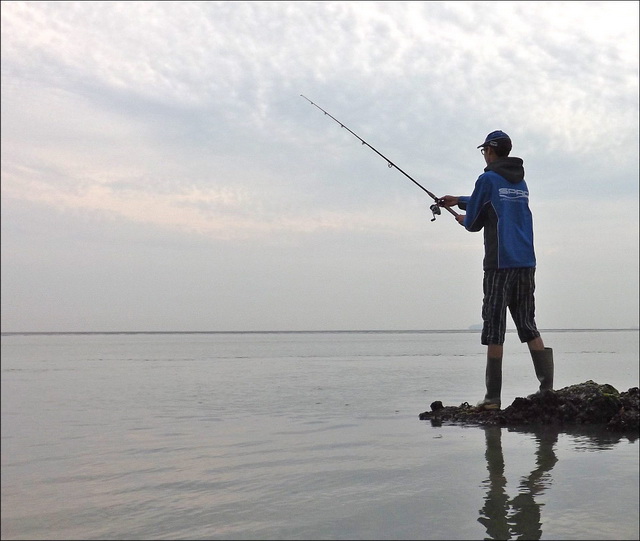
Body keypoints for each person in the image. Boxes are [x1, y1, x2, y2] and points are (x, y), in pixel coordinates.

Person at [438, 130, 554, 410]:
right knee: (527, 323)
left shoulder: (487, 178)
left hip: (499, 264)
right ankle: (547, 390)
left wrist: (464, 216)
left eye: (484, 151)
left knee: (494, 326)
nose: (484, 156)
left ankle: (492, 398)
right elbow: (496, 202)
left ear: (490, 151)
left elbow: (474, 222)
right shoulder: (520, 181)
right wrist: (460, 200)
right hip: (526, 262)